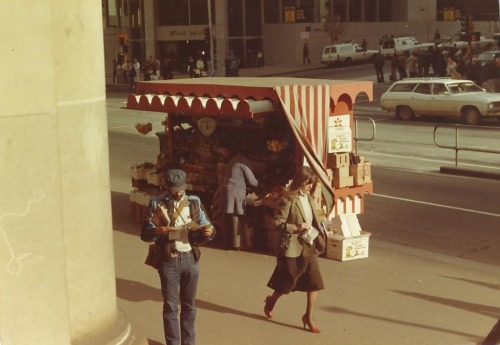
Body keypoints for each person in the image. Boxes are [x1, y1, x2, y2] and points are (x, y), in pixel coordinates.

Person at [141, 169, 216, 345]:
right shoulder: (156, 203)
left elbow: (208, 226)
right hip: (169, 259)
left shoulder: (194, 202)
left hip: (190, 258)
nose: (179, 192)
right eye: (175, 189)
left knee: (189, 305)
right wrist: (156, 231)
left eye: (181, 188)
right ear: (168, 187)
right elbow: (145, 234)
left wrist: (209, 231)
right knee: (170, 306)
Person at [264, 166, 326, 333]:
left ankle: (308, 317)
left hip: (309, 245)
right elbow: (276, 223)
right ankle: (271, 301)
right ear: (300, 182)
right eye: (308, 183)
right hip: (292, 247)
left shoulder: (310, 198)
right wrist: (296, 227)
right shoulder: (288, 199)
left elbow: (314, 220)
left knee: (315, 283)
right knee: (286, 283)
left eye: (312, 184)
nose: (310, 186)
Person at [219, 147, 259, 250]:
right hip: (236, 192)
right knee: (237, 217)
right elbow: (252, 181)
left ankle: (226, 242)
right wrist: (262, 184)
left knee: (228, 217)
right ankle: (238, 244)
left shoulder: (234, 159)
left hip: (227, 190)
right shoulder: (244, 162)